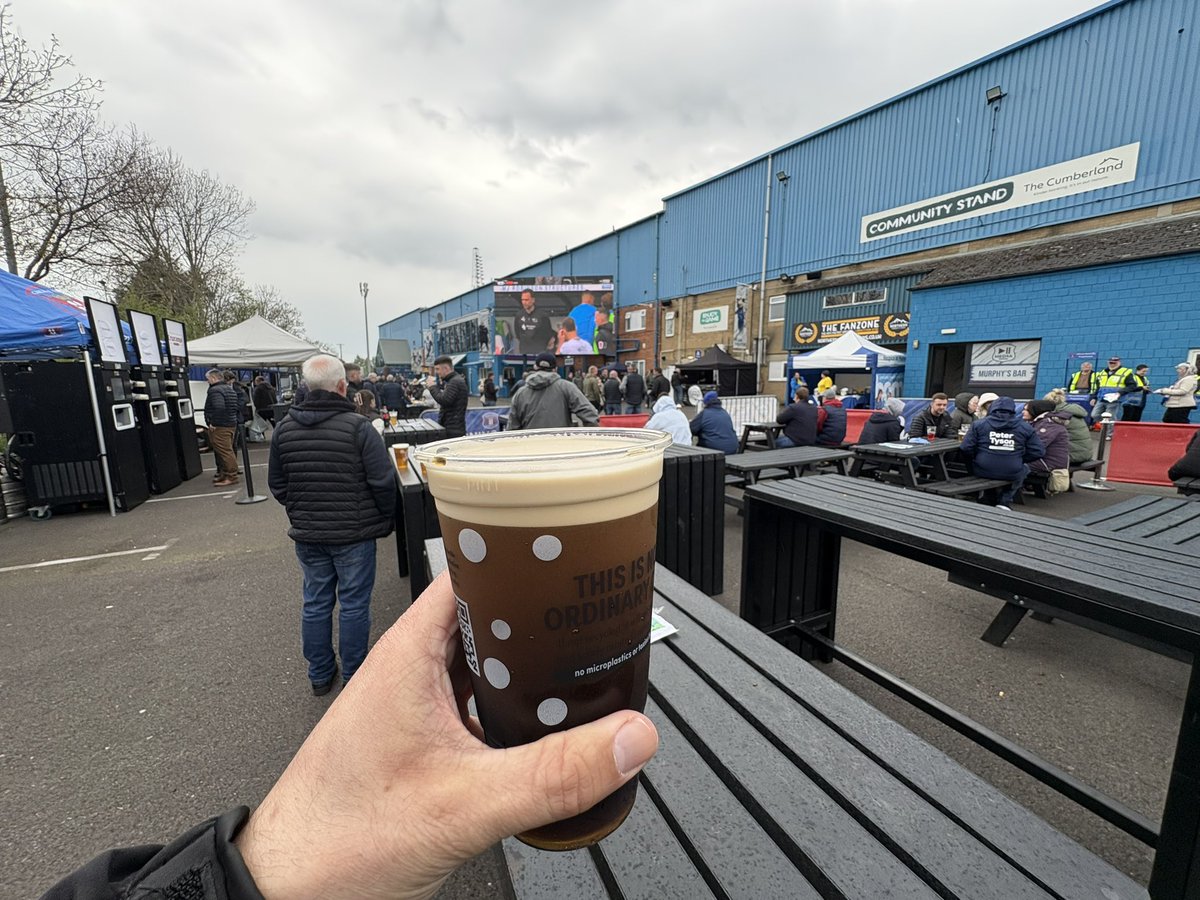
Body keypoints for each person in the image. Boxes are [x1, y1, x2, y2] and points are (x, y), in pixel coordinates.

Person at [41, 573, 660, 900]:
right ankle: (348, 661)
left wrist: (249, 876)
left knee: (320, 595)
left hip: (310, 533)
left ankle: (326, 669)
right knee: (354, 593)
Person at [267, 355, 396, 695]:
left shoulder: (284, 429)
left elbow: (278, 486)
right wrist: (384, 519)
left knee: (315, 602)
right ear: (343, 387)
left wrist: (300, 508)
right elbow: (383, 482)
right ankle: (354, 677)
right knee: (354, 604)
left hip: (309, 534)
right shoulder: (359, 428)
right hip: (354, 534)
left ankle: (321, 675)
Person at [960, 396, 1046, 510]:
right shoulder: (1025, 427)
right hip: (1012, 470)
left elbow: (966, 447)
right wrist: (1020, 458)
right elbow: (1039, 451)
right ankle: (1004, 500)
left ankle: (989, 497)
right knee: (1025, 468)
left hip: (982, 469)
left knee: (984, 466)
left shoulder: (979, 424)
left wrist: (978, 455)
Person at [507, 352, 599, 430]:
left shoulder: (520, 393)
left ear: (535, 367)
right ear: (555, 369)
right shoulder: (567, 387)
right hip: (560, 446)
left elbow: (512, 428)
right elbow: (589, 414)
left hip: (530, 447)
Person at [203, 369, 241, 486]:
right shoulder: (229, 389)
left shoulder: (215, 390)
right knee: (227, 450)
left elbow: (218, 407)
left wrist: (213, 422)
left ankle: (231, 476)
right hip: (231, 423)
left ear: (213, 378)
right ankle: (226, 474)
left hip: (220, 425)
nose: (207, 381)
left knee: (224, 451)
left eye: (208, 379)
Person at [1024, 399, 1071, 491]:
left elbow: (1035, 446)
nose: (1023, 412)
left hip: (1047, 463)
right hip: (1046, 460)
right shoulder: (1041, 422)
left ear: (1036, 410)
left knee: (1010, 465)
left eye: (1026, 410)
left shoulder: (1048, 425)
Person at [427, 355, 469, 438]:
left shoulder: (454, 382)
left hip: (453, 430)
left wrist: (432, 387)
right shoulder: (454, 381)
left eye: (438, 369)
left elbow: (444, 400)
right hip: (454, 427)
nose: (437, 372)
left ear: (446, 368)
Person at [1091, 357, 1135, 426]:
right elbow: (1099, 386)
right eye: (1111, 363)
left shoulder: (1125, 372)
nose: (1112, 364)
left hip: (1114, 400)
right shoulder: (1103, 372)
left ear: (1119, 363)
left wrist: (1120, 393)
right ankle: (1105, 427)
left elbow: (1132, 386)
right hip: (1101, 398)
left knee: (1110, 418)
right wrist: (1094, 397)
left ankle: (1109, 435)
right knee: (1094, 415)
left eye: (1115, 363)